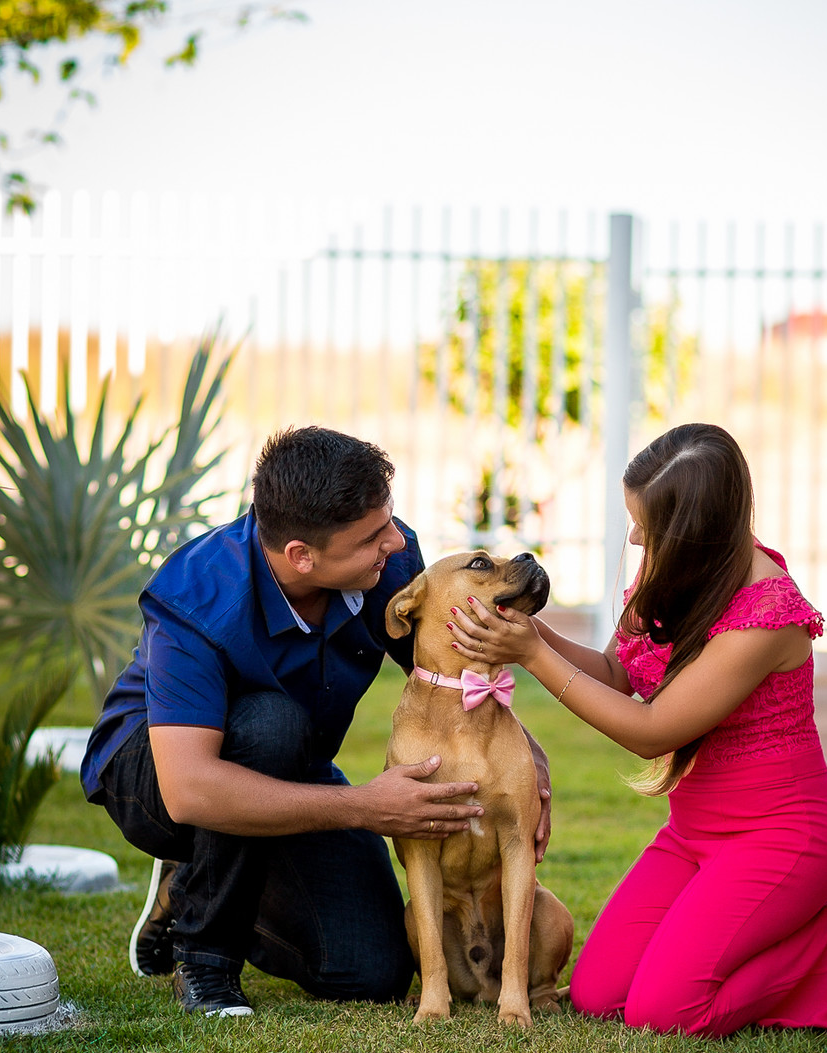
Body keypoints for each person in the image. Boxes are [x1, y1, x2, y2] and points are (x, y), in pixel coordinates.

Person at [448, 422, 827, 1052]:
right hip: (694, 834)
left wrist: (531, 656)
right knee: (597, 996)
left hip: (782, 837)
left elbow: (653, 731)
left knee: (665, 1011)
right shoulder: (677, 567)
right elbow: (616, 672)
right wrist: (530, 632)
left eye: (645, 526)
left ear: (694, 529)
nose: (634, 537)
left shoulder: (766, 614)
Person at [81, 425, 550, 1019]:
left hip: (290, 766)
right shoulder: (196, 597)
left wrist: (524, 758)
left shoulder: (386, 559)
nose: (395, 542)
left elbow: (447, 676)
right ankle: (205, 956)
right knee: (271, 724)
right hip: (160, 771)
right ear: (302, 555)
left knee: (372, 970)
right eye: (373, 537)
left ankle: (207, 875)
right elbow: (189, 787)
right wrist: (362, 807)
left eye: (389, 522)